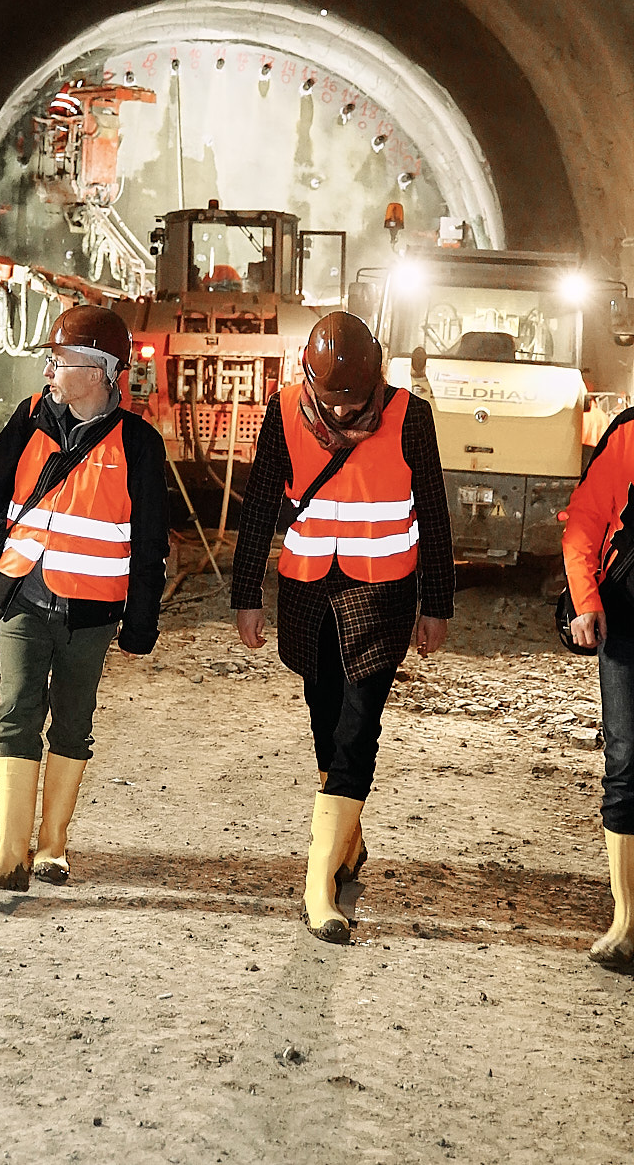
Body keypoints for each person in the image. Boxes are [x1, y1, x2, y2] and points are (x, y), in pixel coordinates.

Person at [232, 312, 454, 943]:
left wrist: (436, 604)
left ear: (375, 382)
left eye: (351, 401)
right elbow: (255, 512)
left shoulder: (411, 418)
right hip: (307, 594)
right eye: (328, 400)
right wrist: (246, 594)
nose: (337, 413)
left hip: (381, 596)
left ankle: (319, 884)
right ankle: (347, 842)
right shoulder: (283, 411)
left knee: (359, 727)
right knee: (326, 723)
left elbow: (433, 516)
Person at [0, 305, 169, 891]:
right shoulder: (31, 420)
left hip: (91, 613)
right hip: (23, 595)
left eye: (59, 363)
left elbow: (151, 545)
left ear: (96, 371)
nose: (49, 373)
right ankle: (8, 856)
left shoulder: (139, 445)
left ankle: (52, 848)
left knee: (72, 722)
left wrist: (140, 622)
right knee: (15, 713)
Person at [562, 409, 634, 967]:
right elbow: (585, 520)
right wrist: (586, 600)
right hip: (627, 617)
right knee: (626, 762)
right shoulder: (629, 434)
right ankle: (626, 922)